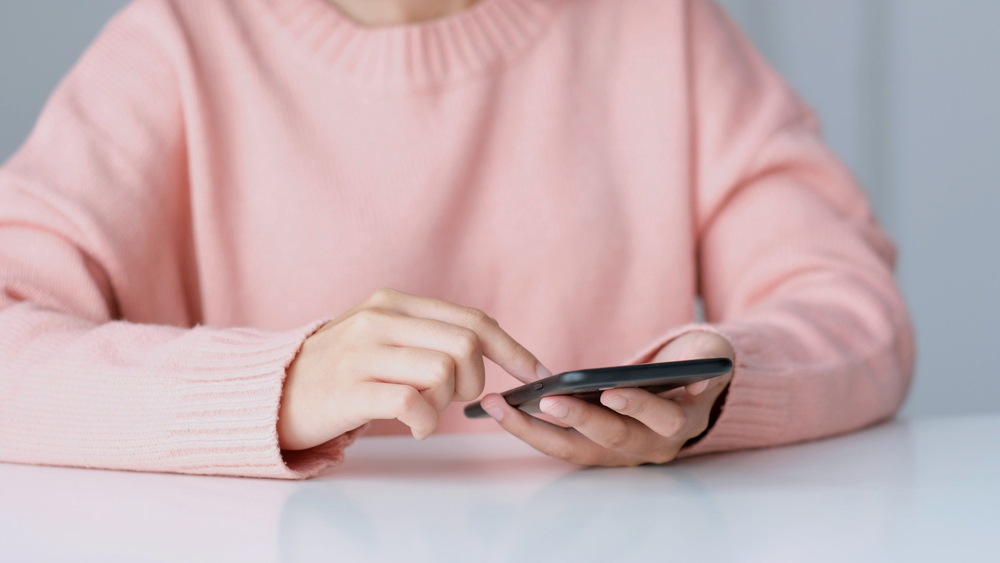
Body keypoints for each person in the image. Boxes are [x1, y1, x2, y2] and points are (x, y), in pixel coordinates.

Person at [0, 0, 914, 479]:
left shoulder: (661, 24)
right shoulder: (175, 45)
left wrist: (714, 384)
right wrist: (279, 385)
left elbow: (851, 305)